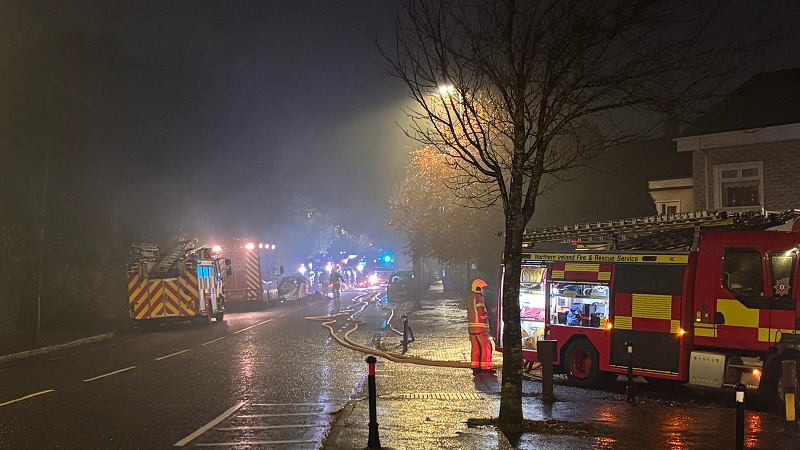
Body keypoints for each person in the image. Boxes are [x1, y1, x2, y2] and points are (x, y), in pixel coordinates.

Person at [467, 279, 494, 375]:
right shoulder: (479, 298)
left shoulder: (470, 298)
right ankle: (486, 367)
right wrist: (487, 316)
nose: (484, 290)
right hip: (480, 327)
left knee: (475, 348)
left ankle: (475, 366)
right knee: (486, 347)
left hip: (471, 327)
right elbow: (481, 311)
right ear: (479, 288)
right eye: (483, 288)